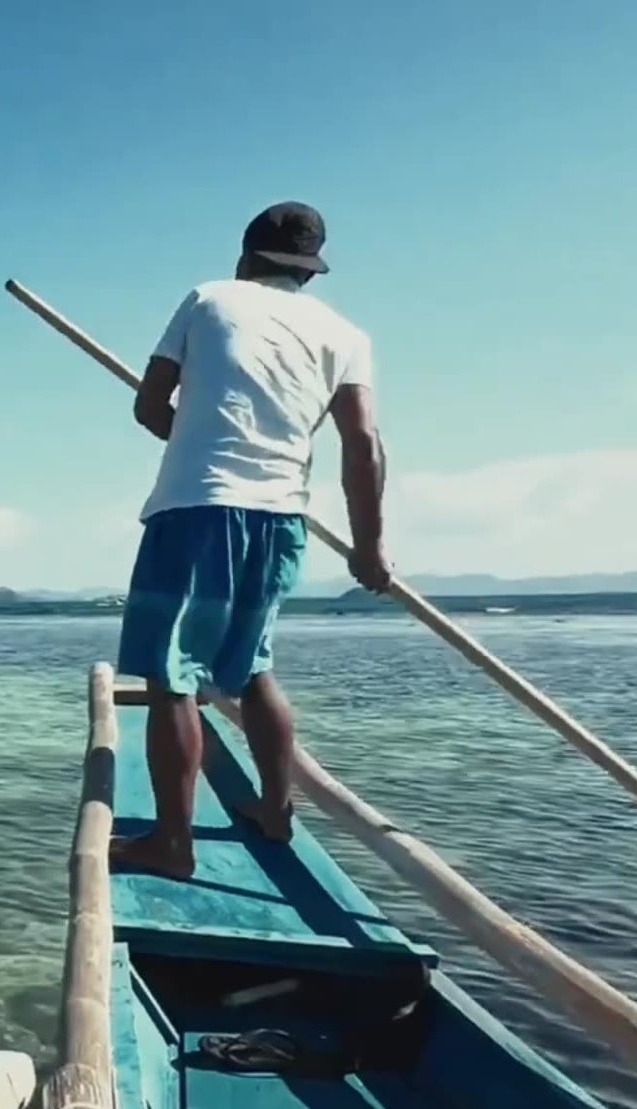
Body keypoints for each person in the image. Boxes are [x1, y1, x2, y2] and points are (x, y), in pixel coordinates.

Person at [109, 201, 392, 880]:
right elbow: (364, 443)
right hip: (280, 518)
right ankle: (274, 808)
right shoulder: (346, 334)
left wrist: (188, 434)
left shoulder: (208, 300)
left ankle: (172, 845)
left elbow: (150, 406)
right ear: (310, 272)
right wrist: (368, 545)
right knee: (252, 667)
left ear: (246, 257)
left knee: (172, 679)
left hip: (198, 507)